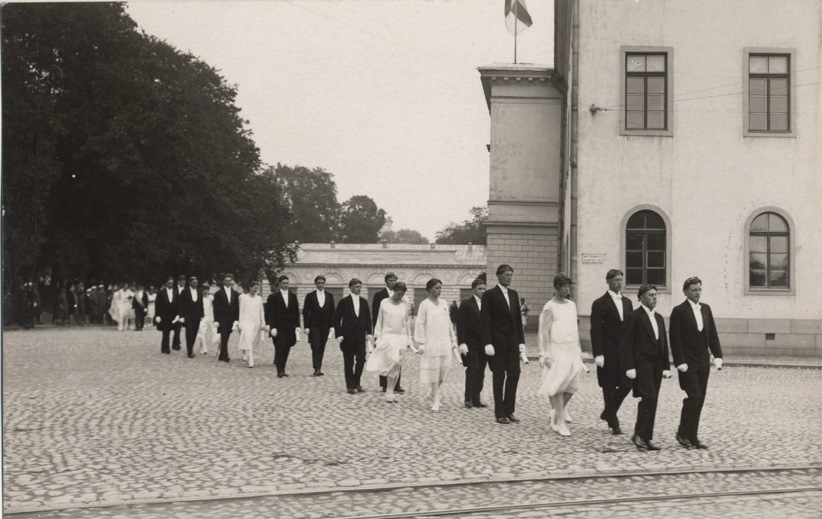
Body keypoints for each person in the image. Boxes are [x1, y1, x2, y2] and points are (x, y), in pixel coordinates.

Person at [670, 276, 723, 450]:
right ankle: (682, 432)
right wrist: (680, 361)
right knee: (694, 396)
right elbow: (675, 339)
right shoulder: (679, 311)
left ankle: (692, 436)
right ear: (685, 292)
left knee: (700, 399)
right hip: (687, 362)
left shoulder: (706, 309)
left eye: (699, 289)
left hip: (703, 361)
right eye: (694, 290)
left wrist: (717, 355)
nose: (697, 293)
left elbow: (712, 334)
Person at [620, 284, 671, 451]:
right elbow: (625, 343)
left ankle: (646, 437)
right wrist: (629, 366)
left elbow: (663, 343)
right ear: (641, 297)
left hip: (656, 365)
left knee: (653, 399)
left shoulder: (659, 318)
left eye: (656, 295)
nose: (654, 298)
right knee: (648, 397)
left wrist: (666, 366)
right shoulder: (634, 316)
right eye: (651, 295)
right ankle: (639, 434)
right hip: (642, 364)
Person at [537, 274, 587, 437]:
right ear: (557, 288)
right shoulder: (549, 306)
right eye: (564, 286)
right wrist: (546, 354)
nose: (567, 289)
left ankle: (556, 412)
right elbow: (544, 332)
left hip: (571, 349)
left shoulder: (572, 305)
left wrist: (579, 350)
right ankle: (560, 422)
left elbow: (574, 328)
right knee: (558, 385)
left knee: (573, 384)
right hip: (557, 349)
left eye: (568, 286)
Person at [590, 269, 634, 435]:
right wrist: (598, 353)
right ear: (608, 281)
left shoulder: (628, 302)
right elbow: (596, 330)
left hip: (624, 351)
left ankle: (608, 411)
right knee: (609, 385)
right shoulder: (600, 303)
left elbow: (631, 328)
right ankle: (614, 423)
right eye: (616, 280)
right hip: (608, 351)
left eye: (621, 279)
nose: (619, 282)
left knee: (627, 383)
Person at [481, 264, 526, 424]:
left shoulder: (514, 294)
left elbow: (517, 320)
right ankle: (500, 412)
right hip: (497, 343)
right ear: (498, 276)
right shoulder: (490, 295)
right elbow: (484, 320)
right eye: (506, 275)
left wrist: (521, 341)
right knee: (499, 376)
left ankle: (509, 409)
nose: (509, 277)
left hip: (512, 343)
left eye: (511, 275)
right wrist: (487, 343)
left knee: (514, 374)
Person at [414, 278, 459, 412]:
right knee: (434, 370)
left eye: (440, 288)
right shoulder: (424, 304)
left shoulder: (444, 303)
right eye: (436, 288)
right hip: (431, 342)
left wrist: (453, 339)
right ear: (429, 289)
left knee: (443, 372)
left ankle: (432, 394)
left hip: (444, 341)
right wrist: (421, 342)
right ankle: (436, 399)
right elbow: (420, 323)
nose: (439, 290)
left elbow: (449, 323)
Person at [365, 281, 412, 403]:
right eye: (398, 293)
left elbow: (406, 322)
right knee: (393, 361)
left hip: (401, 337)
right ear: (394, 291)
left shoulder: (404, 304)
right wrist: (378, 337)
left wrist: (409, 338)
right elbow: (379, 320)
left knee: (397, 365)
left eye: (402, 294)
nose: (400, 296)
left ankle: (390, 392)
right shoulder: (384, 303)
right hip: (388, 337)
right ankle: (389, 390)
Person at [334, 278, 372, 394]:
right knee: (349, 362)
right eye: (356, 287)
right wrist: (339, 334)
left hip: (360, 336)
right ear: (350, 287)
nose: (358, 289)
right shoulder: (344, 302)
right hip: (347, 336)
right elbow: (336, 319)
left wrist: (369, 332)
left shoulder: (364, 302)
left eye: (360, 286)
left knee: (361, 359)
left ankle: (357, 382)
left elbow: (367, 319)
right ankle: (350, 386)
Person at [457, 277, 488, 409]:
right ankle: (468, 398)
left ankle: (476, 398)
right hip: (471, 342)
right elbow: (461, 325)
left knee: (481, 370)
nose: (482, 291)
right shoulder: (466, 304)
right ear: (473, 289)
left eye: (484, 289)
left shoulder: (487, 304)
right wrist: (462, 342)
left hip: (484, 343)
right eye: (479, 289)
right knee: (473, 369)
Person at [371, 272, 405, 394]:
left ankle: (396, 384)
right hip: (385, 332)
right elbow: (376, 316)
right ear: (385, 281)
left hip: (397, 332)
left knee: (397, 358)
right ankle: (384, 384)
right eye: (390, 280)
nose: (392, 283)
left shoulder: (402, 297)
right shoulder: (379, 295)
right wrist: (376, 335)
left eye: (394, 280)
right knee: (385, 358)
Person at [265, 275, 301, 377]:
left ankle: (283, 368)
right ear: (279, 284)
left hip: (289, 326)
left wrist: (297, 325)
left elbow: (296, 312)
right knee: (280, 346)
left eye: (287, 283)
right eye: (283, 283)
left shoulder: (292, 296)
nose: (285, 285)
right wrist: (272, 327)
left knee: (287, 347)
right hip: (278, 326)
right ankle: (279, 370)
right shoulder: (273, 297)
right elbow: (270, 313)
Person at [303, 275, 336, 376]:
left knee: (322, 345)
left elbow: (332, 312)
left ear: (324, 284)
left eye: (322, 283)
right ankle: (316, 367)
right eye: (319, 283)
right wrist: (306, 326)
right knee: (315, 345)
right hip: (313, 325)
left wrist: (332, 326)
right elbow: (305, 312)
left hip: (325, 326)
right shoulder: (310, 296)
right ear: (315, 284)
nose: (320, 285)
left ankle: (319, 366)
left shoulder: (329, 296)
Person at [238, 281, 267, 368]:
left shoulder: (259, 298)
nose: (255, 290)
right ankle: (251, 360)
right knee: (248, 340)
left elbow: (261, 311)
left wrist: (263, 322)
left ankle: (248, 353)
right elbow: (241, 311)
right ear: (250, 288)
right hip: (247, 322)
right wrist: (240, 323)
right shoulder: (244, 298)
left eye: (257, 288)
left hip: (256, 322)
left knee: (253, 341)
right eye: (254, 288)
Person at [213, 274, 240, 362]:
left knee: (227, 335)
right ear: (223, 282)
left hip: (231, 318)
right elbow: (215, 307)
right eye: (226, 280)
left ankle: (221, 355)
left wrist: (236, 319)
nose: (228, 282)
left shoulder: (235, 293)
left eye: (229, 280)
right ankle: (225, 355)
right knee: (224, 335)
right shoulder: (218, 293)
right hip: (222, 317)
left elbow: (237, 307)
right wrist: (216, 320)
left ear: (231, 281)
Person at [179, 276, 204, 358]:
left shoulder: (199, 291)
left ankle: (191, 347)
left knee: (194, 332)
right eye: (194, 282)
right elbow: (181, 305)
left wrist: (202, 315)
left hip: (197, 315)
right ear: (190, 283)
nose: (195, 284)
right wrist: (181, 316)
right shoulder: (184, 292)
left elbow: (201, 303)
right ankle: (190, 351)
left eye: (196, 282)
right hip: (188, 315)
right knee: (189, 332)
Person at [154, 277, 179, 354]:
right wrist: (157, 315)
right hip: (164, 314)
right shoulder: (161, 292)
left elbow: (178, 303)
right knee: (166, 332)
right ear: (166, 283)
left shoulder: (175, 292)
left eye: (172, 283)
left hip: (173, 314)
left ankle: (175, 344)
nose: (171, 284)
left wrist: (179, 314)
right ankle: (165, 348)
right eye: (169, 283)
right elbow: (157, 304)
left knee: (177, 330)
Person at [194, 283, 216, 355]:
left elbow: (215, 306)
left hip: (209, 317)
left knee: (204, 333)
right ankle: (205, 348)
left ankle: (201, 348)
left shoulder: (210, 298)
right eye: (204, 290)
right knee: (202, 332)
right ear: (202, 290)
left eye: (207, 290)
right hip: (202, 317)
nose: (205, 291)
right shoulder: (199, 297)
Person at [172, 275, 187, 350]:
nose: (182, 282)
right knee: (177, 328)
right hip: (176, 312)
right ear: (178, 282)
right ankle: (176, 343)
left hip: (185, 311)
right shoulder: (174, 290)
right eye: (181, 281)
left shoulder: (187, 289)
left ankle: (177, 342)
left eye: (183, 281)